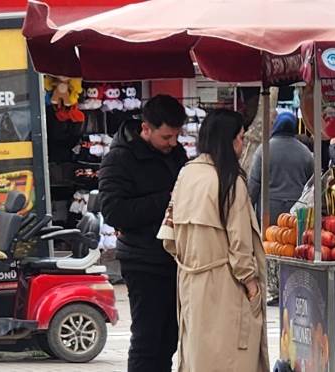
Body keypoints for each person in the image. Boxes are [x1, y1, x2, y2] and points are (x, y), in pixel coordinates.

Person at [162, 109, 269, 372]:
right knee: (232, 358)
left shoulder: (186, 174)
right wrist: (251, 284)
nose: (243, 144)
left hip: (190, 282)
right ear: (229, 141)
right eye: (241, 138)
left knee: (199, 358)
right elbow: (240, 243)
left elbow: (169, 237)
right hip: (226, 283)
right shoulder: (230, 182)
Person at [99, 94, 188, 372]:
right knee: (147, 339)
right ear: (146, 128)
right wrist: (167, 198)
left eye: (176, 136)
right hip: (142, 260)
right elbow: (114, 212)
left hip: (173, 258)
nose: (172, 143)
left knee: (170, 337)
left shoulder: (176, 153)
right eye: (166, 137)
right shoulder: (119, 159)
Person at [248, 112, 314, 227]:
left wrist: (247, 209)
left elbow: (254, 184)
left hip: (268, 209)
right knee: (294, 242)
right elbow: (312, 184)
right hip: (296, 210)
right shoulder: (305, 152)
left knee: (268, 242)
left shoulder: (263, 150)